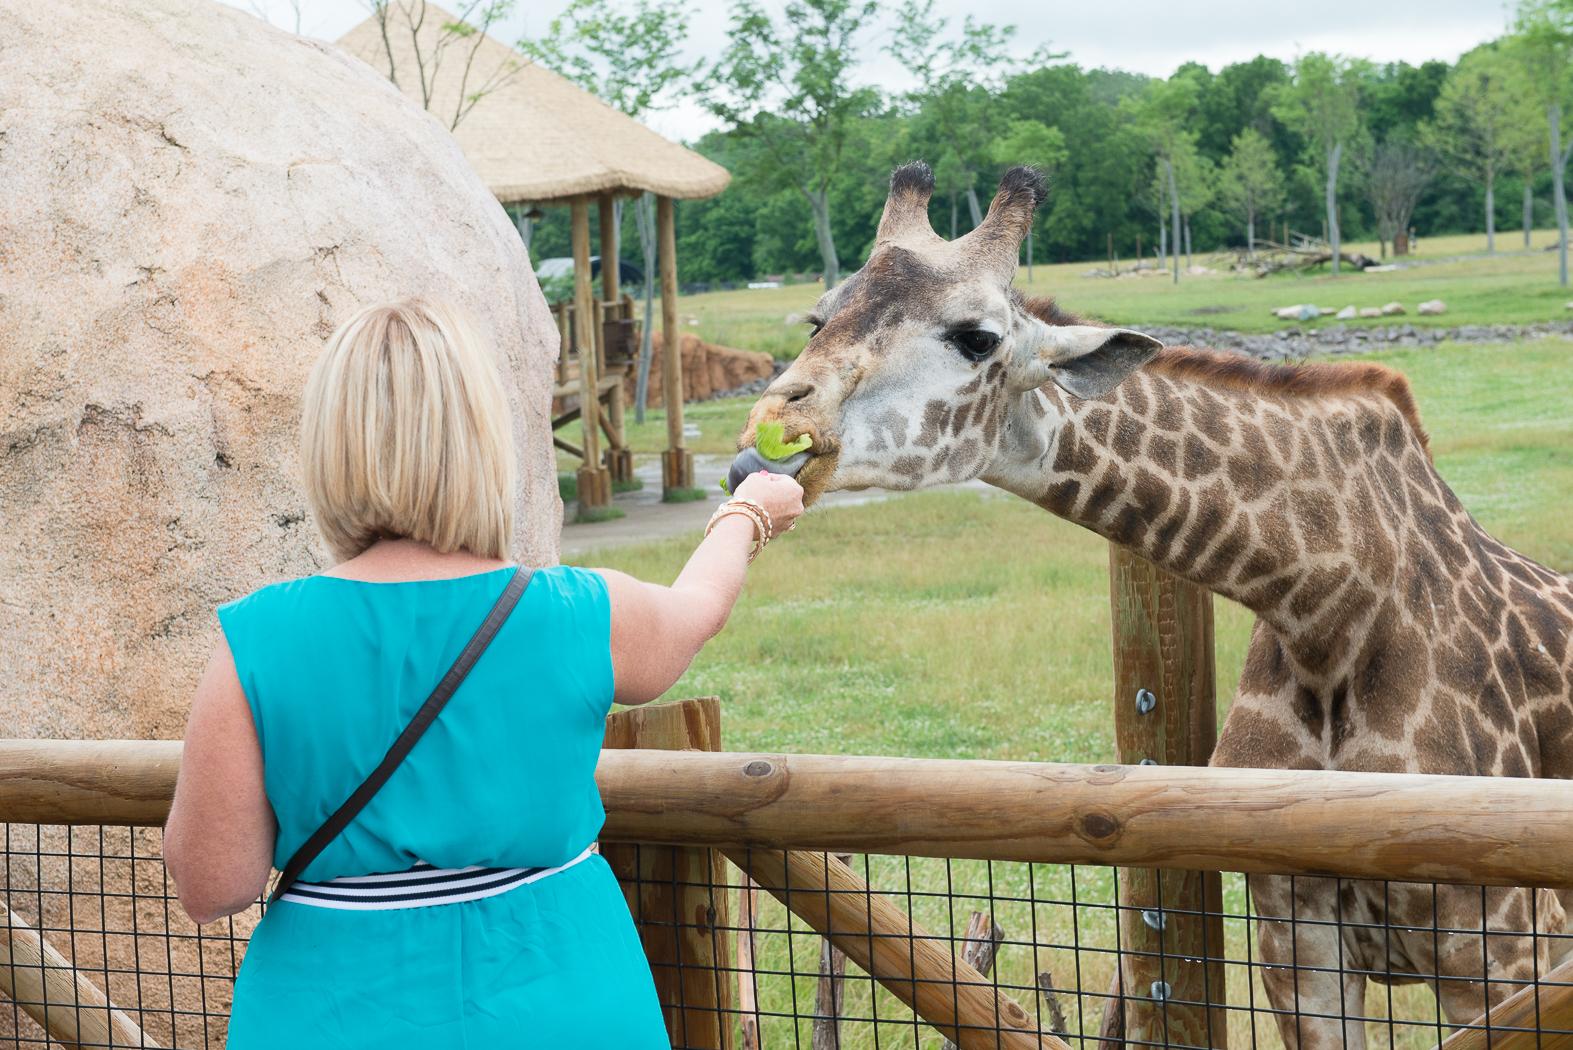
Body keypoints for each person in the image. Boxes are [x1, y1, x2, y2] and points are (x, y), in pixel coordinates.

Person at [162, 299, 804, 1048]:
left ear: (328, 446)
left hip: (333, 1012)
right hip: (564, 998)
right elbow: (695, 608)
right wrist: (748, 510)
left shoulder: (257, 636)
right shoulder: (580, 613)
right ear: (481, 439)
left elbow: (214, 885)